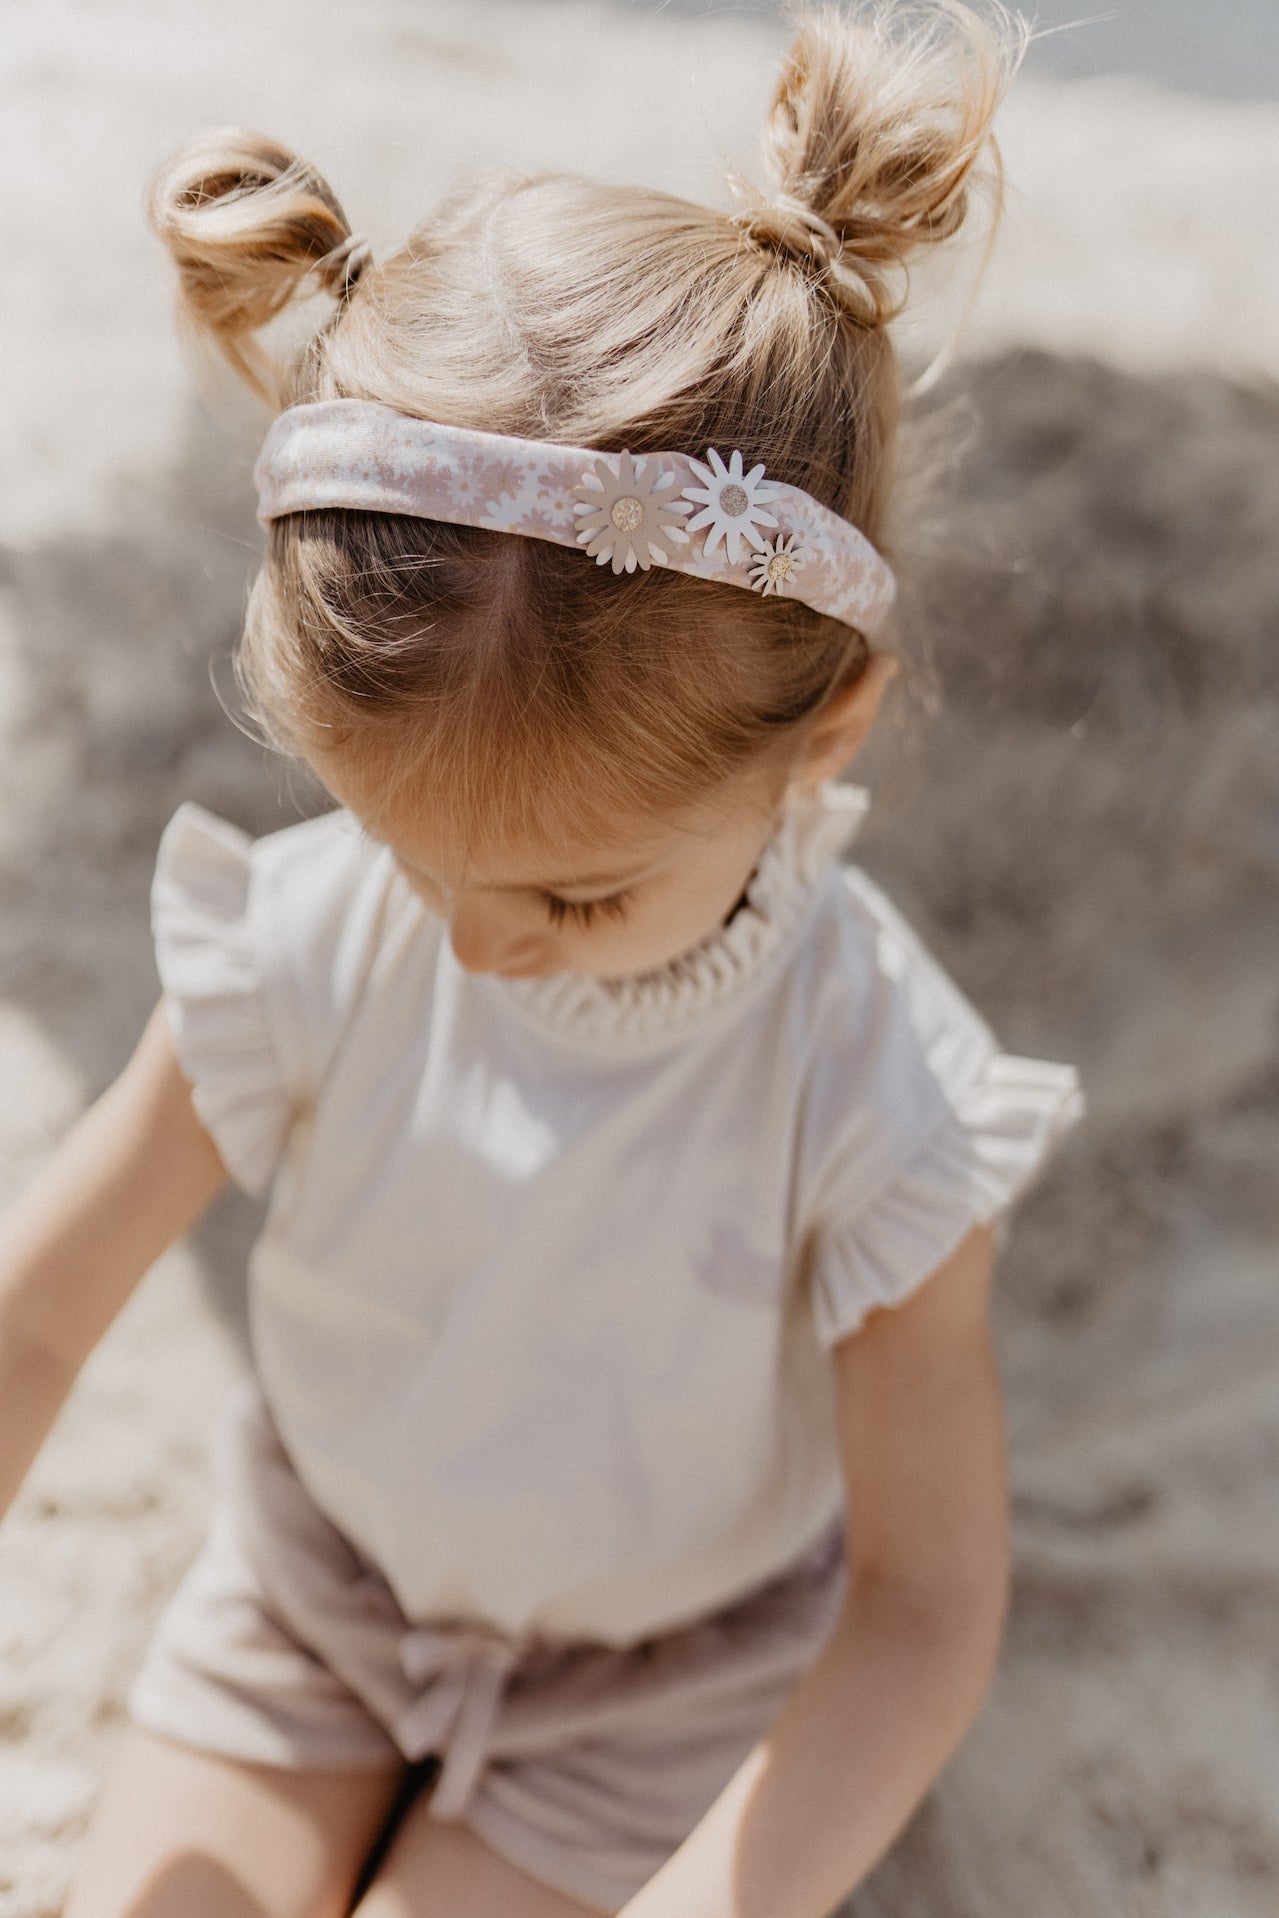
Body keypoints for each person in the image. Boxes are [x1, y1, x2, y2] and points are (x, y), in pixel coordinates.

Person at [0, 5, 1083, 1914]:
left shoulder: (872, 1074)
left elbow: (920, 1609)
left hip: (661, 1692)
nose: (483, 948)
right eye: (423, 863)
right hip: (319, 1590)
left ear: (825, 730)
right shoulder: (317, 928)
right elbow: (31, 1315)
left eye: (576, 898)